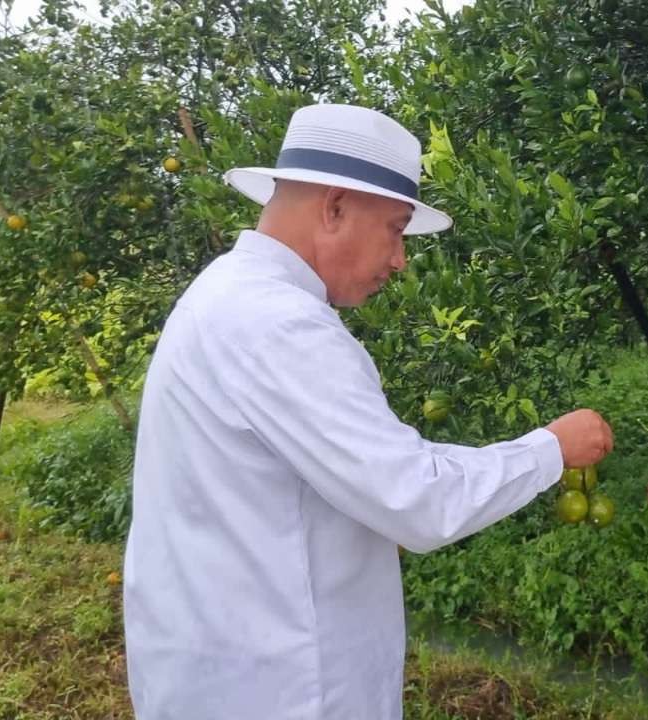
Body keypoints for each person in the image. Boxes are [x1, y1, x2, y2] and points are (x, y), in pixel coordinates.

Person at [123, 103, 613, 719]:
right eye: (396, 229)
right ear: (334, 207)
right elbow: (418, 499)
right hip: (286, 687)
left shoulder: (224, 294)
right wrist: (551, 448)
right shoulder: (280, 325)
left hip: (218, 669)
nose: (401, 259)